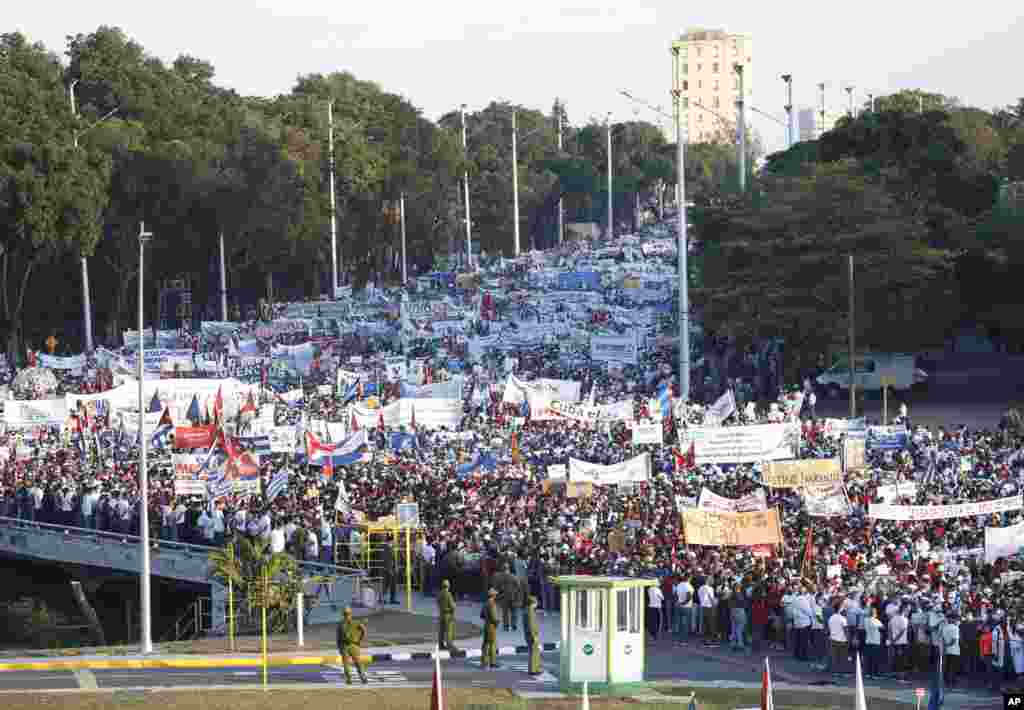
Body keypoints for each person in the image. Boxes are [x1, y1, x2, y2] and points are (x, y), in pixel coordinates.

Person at [336, 607, 368, 685]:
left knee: (357, 663)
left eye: (348, 614)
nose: (347, 616)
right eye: (346, 614)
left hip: (352, 645)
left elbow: (363, 630)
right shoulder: (342, 624)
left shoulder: (354, 623)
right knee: (349, 664)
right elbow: (338, 637)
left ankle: (361, 678)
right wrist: (360, 640)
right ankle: (351, 679)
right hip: (347, 646)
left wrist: (360, 640)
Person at [481, 588, 500, 669]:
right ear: (494, 595)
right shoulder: (492, 604)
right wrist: (497, 622)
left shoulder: (485, 603)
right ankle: (493, 662)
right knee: (492, 644)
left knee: (485, 644)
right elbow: (494, 617)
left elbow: (481, 615)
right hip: (491, 626)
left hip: (486, 625)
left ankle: (484, 662)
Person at [863, 606, 884, 677]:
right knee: (875, 659)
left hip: (868, 641)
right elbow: (883, 627)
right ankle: (874, 674)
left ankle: (868, 673)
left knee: (869, 659)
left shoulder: (865, 620)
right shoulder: (876, 621)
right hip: (875, 642)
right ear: (874, 613)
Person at [942, 611, 961, 687]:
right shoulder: (956, 628)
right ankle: (952, 682)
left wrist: (945, 646)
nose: (956, 620)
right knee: (953, 667)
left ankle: (946, 681)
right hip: (954, 650)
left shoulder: (945, 627)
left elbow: (943, 639)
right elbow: (954, 640)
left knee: (947, 667)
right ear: (952, 619)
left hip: (946, 650)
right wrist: (948, 645)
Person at [525, 594, 542, 675]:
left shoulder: (528, 610)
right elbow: (531, 625)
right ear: (533, 603)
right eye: (536, 602)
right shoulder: (530, 612)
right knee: (534, 652)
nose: (537, 604)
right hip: (532, 635)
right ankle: (533, 670)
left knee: (535, 651)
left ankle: (536, 668)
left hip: (529, 634)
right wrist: (534, 636)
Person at [438, 579, 456, 651]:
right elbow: (452, 606)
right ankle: (449, 645)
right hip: (448, 614)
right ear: (448, 586)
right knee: (449, 630)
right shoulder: (448, 594)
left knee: (441, 631)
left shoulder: (440, 593)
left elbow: (438, 601)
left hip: (441, 613)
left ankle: (441, 644)